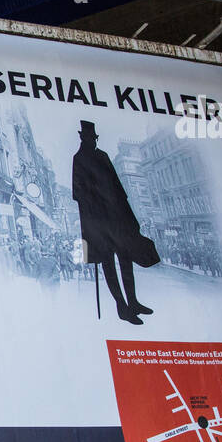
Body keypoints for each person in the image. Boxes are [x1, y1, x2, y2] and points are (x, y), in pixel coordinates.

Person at [71, 119, 158, 325]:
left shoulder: (103, 156)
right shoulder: (79, 159)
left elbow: (120, 191)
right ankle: (121, 307)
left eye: (94, 138)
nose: (93, 141)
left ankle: (133, 302)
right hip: (98, 223)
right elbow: (78, 194)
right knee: (108, 263)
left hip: (117, 220)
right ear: (83, 137)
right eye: (90, 138)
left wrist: (130, 220)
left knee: (126, 261)